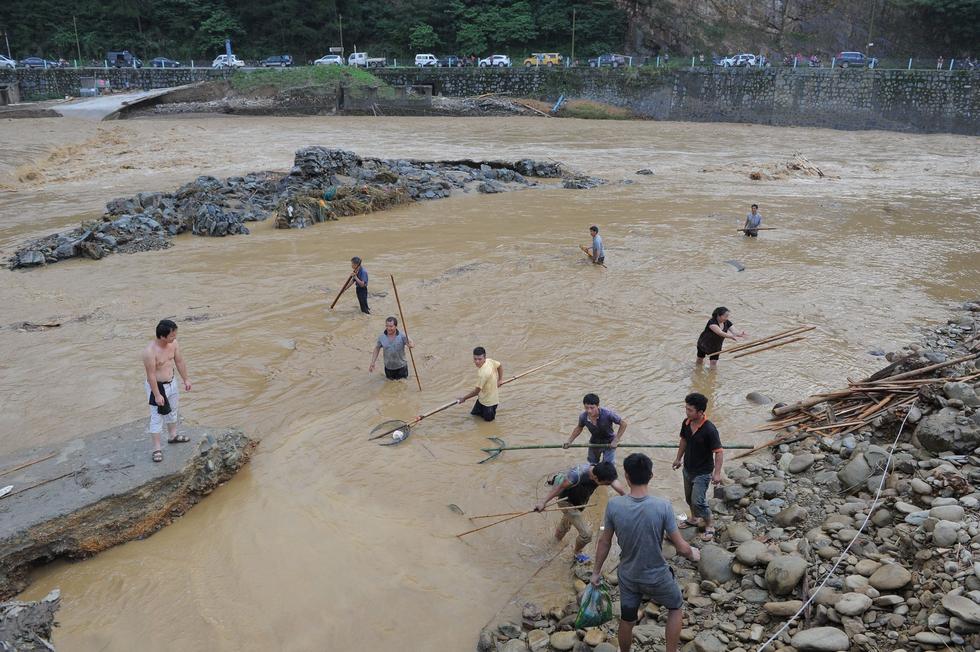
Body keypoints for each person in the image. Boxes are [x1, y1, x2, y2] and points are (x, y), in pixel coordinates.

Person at [592, 453, 700, 652]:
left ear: (626, 476)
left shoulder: (614, 506)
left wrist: (596, 572)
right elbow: (681, 547)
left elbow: (604, 542)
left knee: (627, 618)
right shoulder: (662, 506)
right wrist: (693, 553)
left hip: (628, 575)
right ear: (651, 475)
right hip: (657, 575)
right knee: (675, 607)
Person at [534, 461, 626, 562]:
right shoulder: (576, 475)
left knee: (566, 523)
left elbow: (614, 483)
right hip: (566, 502)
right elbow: (559, 489)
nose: (608, 485)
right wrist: (543, 502)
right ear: (595, 478)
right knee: (586, 534)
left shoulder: (601, 471)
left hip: (579, 503)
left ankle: (555, 541)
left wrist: (628, 499)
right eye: (605, 484)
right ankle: (577, 553)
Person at [671, 393, 724, 542]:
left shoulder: (709, 430)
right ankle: (694, 519)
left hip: (703, 472)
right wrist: (678, 458)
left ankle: (709, 525)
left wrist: (717, 473)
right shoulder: (686, 423)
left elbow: (719, 452)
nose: (686, 412)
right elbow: (683, 441)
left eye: (690, 410)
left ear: (700, 412)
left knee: (698, 501)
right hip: (688, 468)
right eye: (686, 409)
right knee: (689, 498)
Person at [141, 319, 192, 463]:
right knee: (157, 417)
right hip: (157, 386)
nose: (175, 337)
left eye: (175, 334)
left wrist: (186, 379)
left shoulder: (173, 344)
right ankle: (157, 449)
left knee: (173, 410)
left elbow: (179, 361)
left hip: (172, 382)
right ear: (162, 336)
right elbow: (150, 375)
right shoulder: (149, 352)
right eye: (172, 335)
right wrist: (157, 394)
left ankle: (173, 436)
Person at [564, 393, 628, 464]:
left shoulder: (608, 414)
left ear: (598, 406)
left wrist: (616, 440)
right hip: (594, 443)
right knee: (592, 463)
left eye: (592, 408)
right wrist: (569, 441)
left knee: (608, 465)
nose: (589, 411)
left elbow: (623, 424)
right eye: (586, 408)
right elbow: (579, 428)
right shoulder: (583, 416)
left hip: (609, 442)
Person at [456, 347, 502, 421]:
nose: (477, 361)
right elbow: (499, 366)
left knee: (488, 426)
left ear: (484, 358)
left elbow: (476, 392)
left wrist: (463, 398)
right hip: (482, 399)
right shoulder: (489, 361)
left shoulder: (483, 373)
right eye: (475, 359)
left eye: (479, 359)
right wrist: (500, 380)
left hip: (489, 404)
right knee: (474, 416)